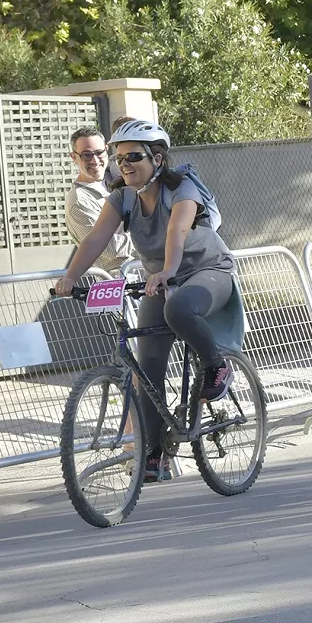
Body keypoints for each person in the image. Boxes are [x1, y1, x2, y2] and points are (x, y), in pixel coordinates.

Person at [56, 120, 244, 482]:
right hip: (163, 279)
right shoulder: (122, 196)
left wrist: (167, 271)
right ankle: (154, 454)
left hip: (207, 272)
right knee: (148, 366)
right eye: (119, 157)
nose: (123, 164)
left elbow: (177, 231)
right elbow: (95, 240)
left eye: (134, 157)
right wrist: (70, 277)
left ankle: (217, 365)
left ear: (157, 159)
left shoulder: (182, 189)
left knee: (178, 309)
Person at [65, 125, 133, 272]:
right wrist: (152, 233)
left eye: (99, 152)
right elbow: (110, 250)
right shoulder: (79, 201)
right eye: (86, 155)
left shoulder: (118, 177)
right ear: (74, 157)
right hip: (121, 282)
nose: (95, 161)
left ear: (106, 150)